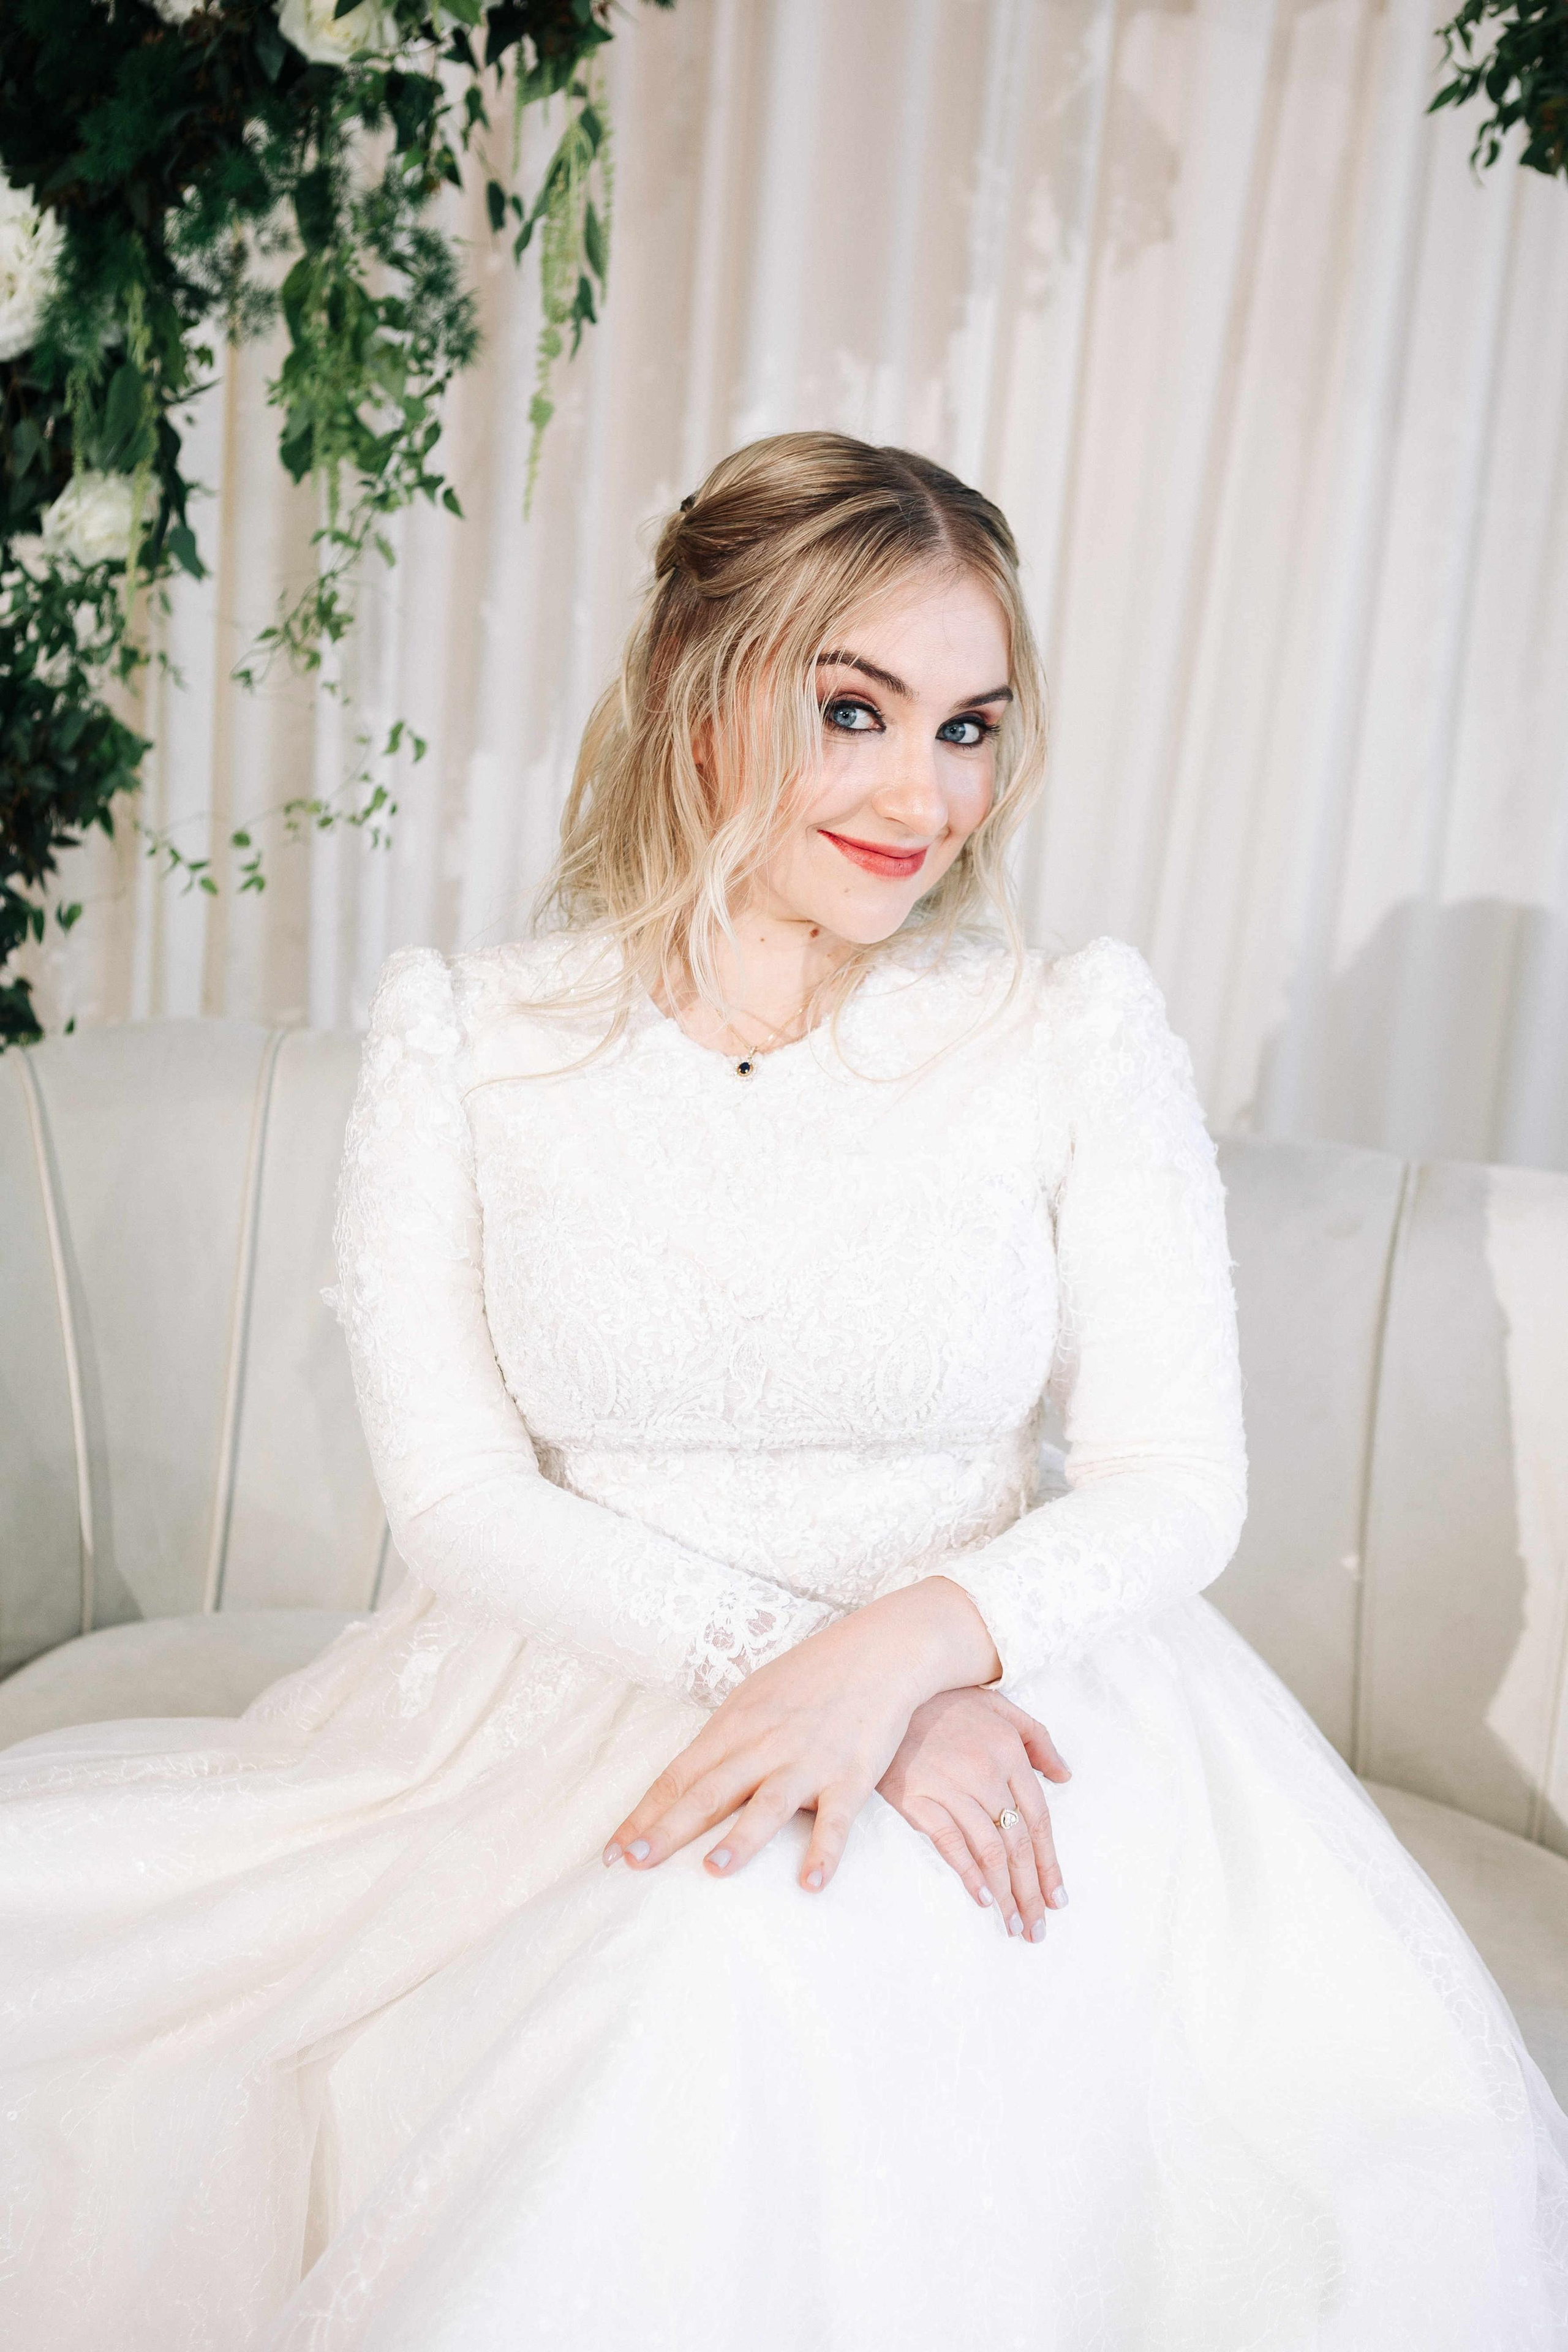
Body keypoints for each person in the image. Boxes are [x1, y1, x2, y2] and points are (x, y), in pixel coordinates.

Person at [3, 431, 1566, 2351]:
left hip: (1018, 1708)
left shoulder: (1063, 1031)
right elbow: (461, 1500)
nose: (926, 794)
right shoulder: (476, 1042)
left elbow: (1177, 1483)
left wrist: (900, 1665)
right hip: (562, 1691)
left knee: (719, 1983)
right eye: (857, 709)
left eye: (970, 727)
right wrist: (803, 1676)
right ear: (698, 693)